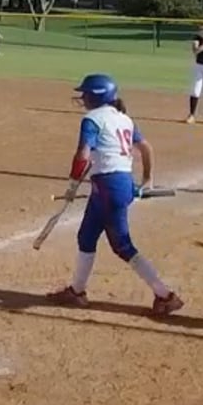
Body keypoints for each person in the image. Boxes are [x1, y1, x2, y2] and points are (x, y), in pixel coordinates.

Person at [49, 74, 185, 317]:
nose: (82, 98)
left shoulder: (92, 119)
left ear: (95, 96)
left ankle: (166, 296)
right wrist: (147, 179)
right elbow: (146, 148)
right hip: (114, 185)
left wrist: (72, 184)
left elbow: (83, 155)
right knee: (86, 236)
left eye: (85, 94)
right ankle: (77, 292)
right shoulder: (124, 119)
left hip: (109, 187)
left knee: (122, 245)